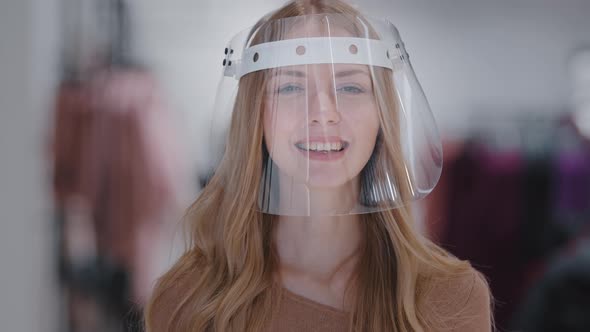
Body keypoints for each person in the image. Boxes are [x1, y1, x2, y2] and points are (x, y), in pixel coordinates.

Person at [145, 0, 493, 331]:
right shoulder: (190, 300)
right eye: (291, 86)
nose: (323, 113)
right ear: (256, 118)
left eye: (350, 87)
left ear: (382, 115)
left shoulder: (450, 297)